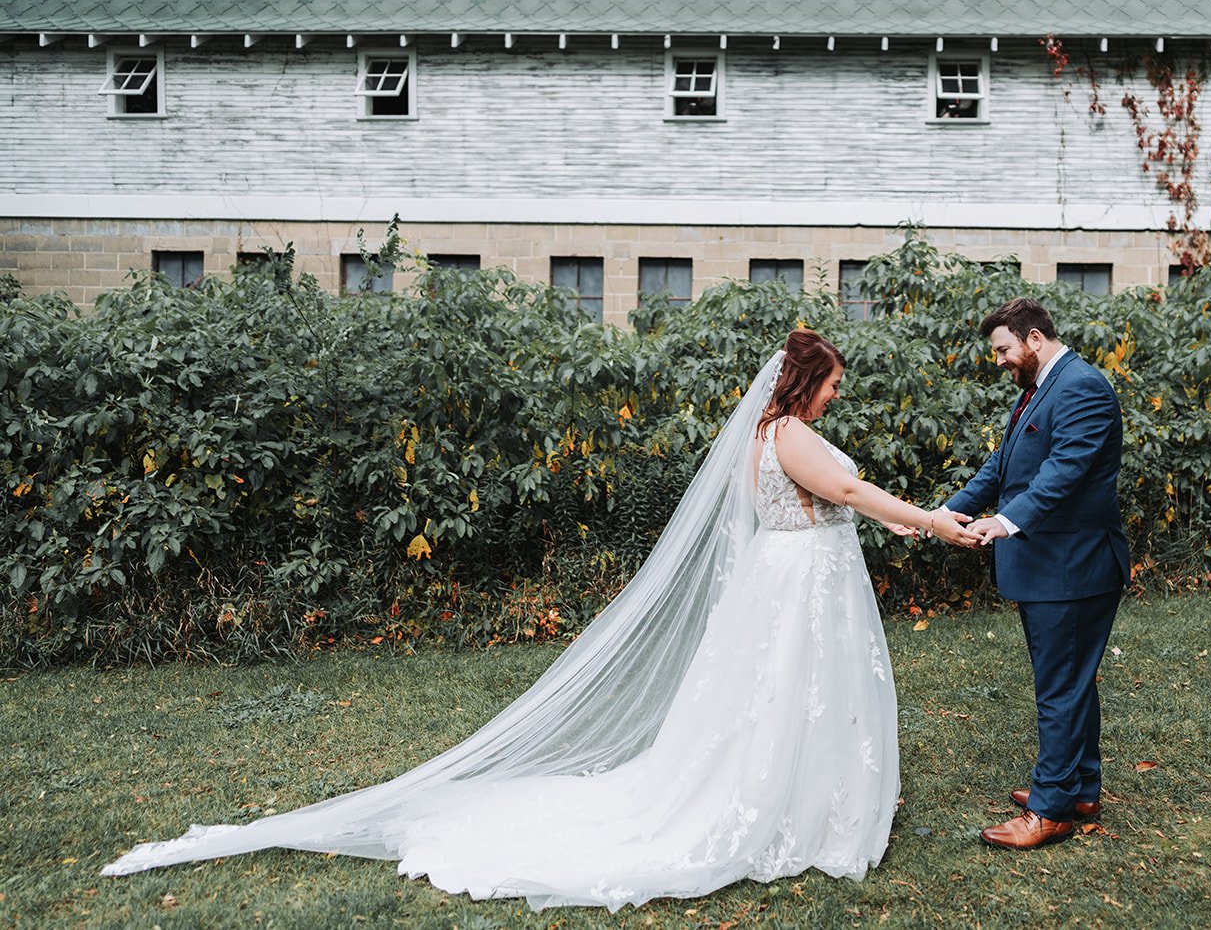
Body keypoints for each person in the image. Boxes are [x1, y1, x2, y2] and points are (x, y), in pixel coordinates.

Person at [103, 330, 976, 910]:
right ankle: (788, 809)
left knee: (793, 701)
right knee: (788, 697)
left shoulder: (767, 434)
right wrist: (932, 519)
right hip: (797, 588)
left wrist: (922, 520)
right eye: (830, 385)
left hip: (797, 580)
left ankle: (806, 796)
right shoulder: (787, 434)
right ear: (805, 381)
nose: (833, 398)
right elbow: (851, 492)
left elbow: (844, 503)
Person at [942, 297, 1129, 850]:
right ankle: (1081, 789)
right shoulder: (1040, 386)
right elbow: (1003, 467)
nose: (997, 360)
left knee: (1059, 688)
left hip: (1074, 568)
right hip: (1051, 565)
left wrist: (1003, 522)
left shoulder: (1082, 387)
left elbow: (1062, 473)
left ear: (1034, 339)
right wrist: (945, 512)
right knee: (1070, 683)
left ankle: (1051, 809)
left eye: (1003, 349)